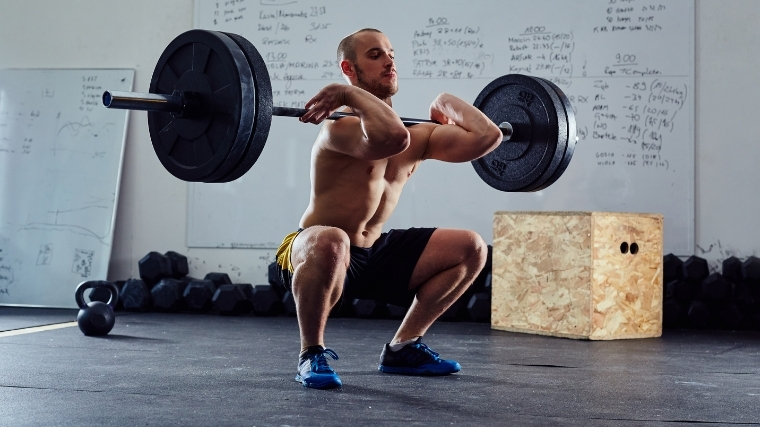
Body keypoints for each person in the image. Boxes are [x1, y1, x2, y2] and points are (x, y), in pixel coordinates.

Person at [274, 28, 502, 389]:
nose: (389, 60)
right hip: (317, 251)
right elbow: (390, 138)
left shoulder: (419, 135)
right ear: (349, 68)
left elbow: (488, 138)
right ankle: (310, 353)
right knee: (332, 240)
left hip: (371, 252)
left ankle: (403, 347)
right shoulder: (340, 128)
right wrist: (349, 95)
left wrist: (445, 102)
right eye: (375, 55)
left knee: (470, 248)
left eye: (391, 53)